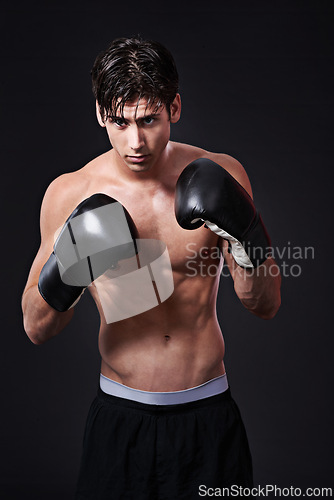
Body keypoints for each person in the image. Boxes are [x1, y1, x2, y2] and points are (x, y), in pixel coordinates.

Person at [21, 37, 281, 499]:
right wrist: (70, 265)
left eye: (148, 120)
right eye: (119, 123)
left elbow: (264, 304)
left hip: (209, 416)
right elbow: (37, 328)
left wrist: (248, 240)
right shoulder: (69, 193)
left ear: (174, 107)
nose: (135, 142)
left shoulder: (222, 174)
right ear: (101, 113)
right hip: (120, 420)